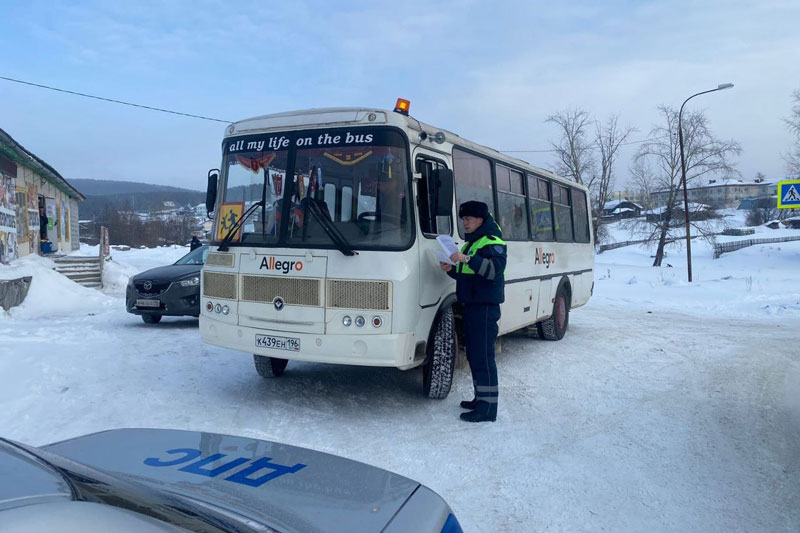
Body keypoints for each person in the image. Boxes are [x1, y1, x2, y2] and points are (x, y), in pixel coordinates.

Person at [439, 200, 507, 423]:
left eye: (468, 218)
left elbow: (492, 271)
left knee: (483, 358)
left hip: (484, 308)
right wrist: (451, 269)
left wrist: (466, 258)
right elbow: (467, 275)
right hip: (471, 305)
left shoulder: (492, 242)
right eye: (463, 219)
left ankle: (487, 410)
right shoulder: (473, 243)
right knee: (475, 356)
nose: (465, 223)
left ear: (480, 219)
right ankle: (480, 399)